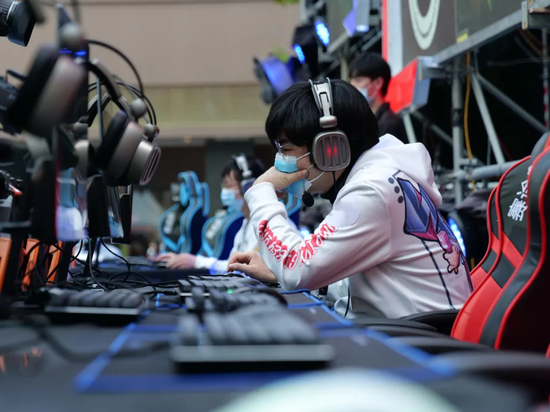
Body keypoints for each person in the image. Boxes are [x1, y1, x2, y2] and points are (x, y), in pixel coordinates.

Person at [228, 79, 473, 318]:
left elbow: (296, 269)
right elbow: (364, 285)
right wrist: (277, 274)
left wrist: (261, 190)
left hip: (420, 340)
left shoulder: (372, 191)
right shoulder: (383, 177)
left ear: (329, 148)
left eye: (285, 149)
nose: (279, 163)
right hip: (414, 332)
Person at [155, 155, 264, 272]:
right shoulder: (245, 224)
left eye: (229, 185)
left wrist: (196, 262)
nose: (224, 191)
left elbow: (247, 270)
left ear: (248, 187)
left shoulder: (262, 225)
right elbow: (232, 266)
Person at [349, 51, 408, 144]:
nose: (352, 87)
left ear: (378, 83)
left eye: (358, 81)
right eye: (351, 82)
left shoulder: (390, 123)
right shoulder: (364, 123)